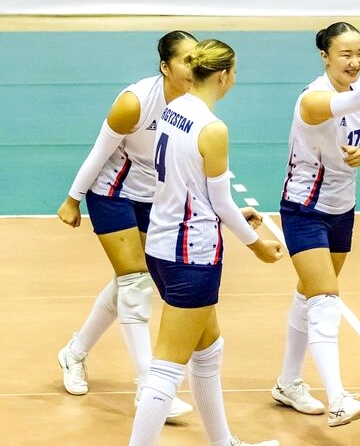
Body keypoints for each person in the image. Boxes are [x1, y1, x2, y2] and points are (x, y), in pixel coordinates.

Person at [127, 38, 282, 446]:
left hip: (162, 246)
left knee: (208, 349)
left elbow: (191, 185)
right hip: (192, 256)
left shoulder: (173, 108)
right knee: (166, 368)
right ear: (223, 76)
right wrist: (256, 244)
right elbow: (222, 201)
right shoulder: (212, 128)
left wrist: (221, 214)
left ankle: (222, 442)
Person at [269, 21, 360, 427]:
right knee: (326, 299)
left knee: (310, 293)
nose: (355, 62)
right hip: (304, 207)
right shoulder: (313, 99)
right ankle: (337, 400)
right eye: (346, 54)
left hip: (342, 209)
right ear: (325, 56)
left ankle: (287, 382)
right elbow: (343, 105)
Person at [56, 30, 197, 418]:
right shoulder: (135, 102)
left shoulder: (195, 103)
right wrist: (72, 199)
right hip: (112, 192)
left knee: (129, 280)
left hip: (155, 198)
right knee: (135, 283)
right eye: (186, 60)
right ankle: (148, 388)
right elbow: (98, 152)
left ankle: (74, 353)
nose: (194, 67)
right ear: (166, 67)